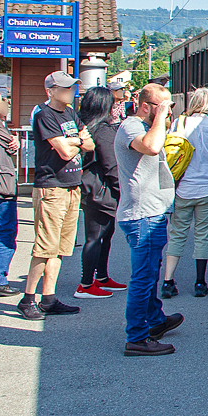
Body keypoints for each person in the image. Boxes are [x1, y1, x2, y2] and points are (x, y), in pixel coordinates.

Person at [114, 82, 182, 356]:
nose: (167, 114)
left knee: (150, 273)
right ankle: (137, 337)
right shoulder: (132, 127)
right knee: (143, 278)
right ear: (145, 106)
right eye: (163, 107)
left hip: (151, 212)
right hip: (141, 215)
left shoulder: (144, 126)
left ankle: (155, 321)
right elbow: (152, 148)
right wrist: (160, 119)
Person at [20, 71, 94, 320]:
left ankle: (49, 298)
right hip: (51, 187)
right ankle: (28, 298)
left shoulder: (71, 113)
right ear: (50, 91)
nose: (70, 93)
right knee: (44, 247)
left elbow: (90, 144)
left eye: (72, 88)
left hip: (72, 186)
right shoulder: (44, 115)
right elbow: (63, 151)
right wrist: (76, 140)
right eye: (64, 88)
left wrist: (72, 140)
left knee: (61, 249)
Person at [162, 88, 208, 299]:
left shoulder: (178, 124)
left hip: (183, 188)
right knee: (202, 235)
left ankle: (167, 282)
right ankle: (200, 283)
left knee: (177, 233)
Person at [76, 87, 127, 298]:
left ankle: (102, 277)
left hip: (93, 188)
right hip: (102, 191)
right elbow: (111, 165)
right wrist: (122, 190)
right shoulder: (103, 130)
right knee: (96, 237)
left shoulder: (86, 126)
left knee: (102, 235)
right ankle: (86, 284)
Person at [0, 91, 20, 297]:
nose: (7, 105)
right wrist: (14, 140)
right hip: (0, 186)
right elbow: (10, 144)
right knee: (5, 233)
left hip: (0, 184)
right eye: (5, 101)